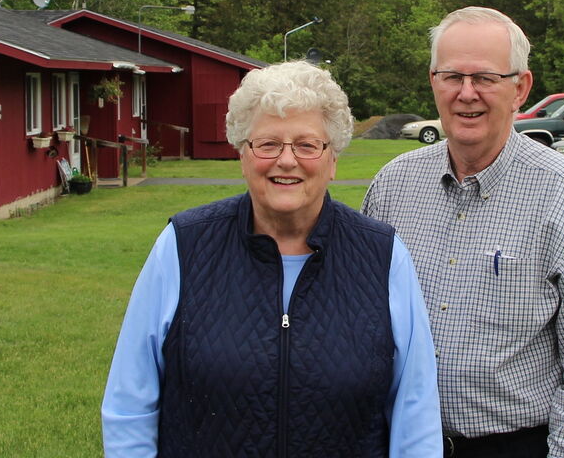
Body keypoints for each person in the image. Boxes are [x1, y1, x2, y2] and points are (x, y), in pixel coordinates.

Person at [102, 60, 442, 457]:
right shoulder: (182, 246)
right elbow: (130, 405)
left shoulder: (382, 254)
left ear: (332, 159)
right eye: (268, 144)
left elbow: (415, 411)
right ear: (242, 155)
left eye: (306, 144)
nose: (286, 160)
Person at [362, 7, 564, 457]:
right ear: (433, 82)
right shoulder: (392, 187)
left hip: (513, 445)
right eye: (452, 77)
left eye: (485, 78)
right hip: (400, 443)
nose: (467, 94)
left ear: (520, 88)